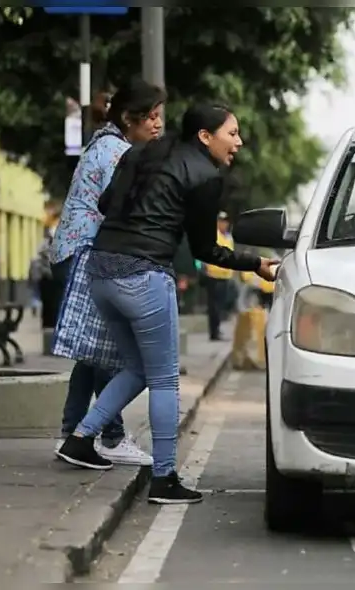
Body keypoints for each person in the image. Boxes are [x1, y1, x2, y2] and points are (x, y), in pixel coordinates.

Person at [55, 104, 279, 505]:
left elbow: (106, 204)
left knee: (137, 368)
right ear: (205, 137)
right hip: (144, 276)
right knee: (163, 379)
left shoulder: (137, 153)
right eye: (233, 133)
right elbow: (206, 249)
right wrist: (256, 263)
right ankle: (164, 479)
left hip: (101, 271)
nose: (239, 142)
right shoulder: (206, 176)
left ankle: (80, 439)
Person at [49, 78, 167, 466]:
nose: (157, 125)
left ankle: (73, 433)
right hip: (88, 253)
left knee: (91, 352)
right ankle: (110, 436)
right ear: (129, 119)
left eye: (159, 117)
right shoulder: (119, 153)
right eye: (150, 117)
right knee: (105, 351)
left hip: (75, 251)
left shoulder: (104, 144)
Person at [200, 212, 235, 341]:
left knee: (220, 305)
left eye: (226, 221)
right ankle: (214, 332)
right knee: (213, 306)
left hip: (225, 276)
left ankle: (217, 329)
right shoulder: (214, 236)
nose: (224, 224)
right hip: (213, 275)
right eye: (221, 221)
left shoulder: (228, 237)